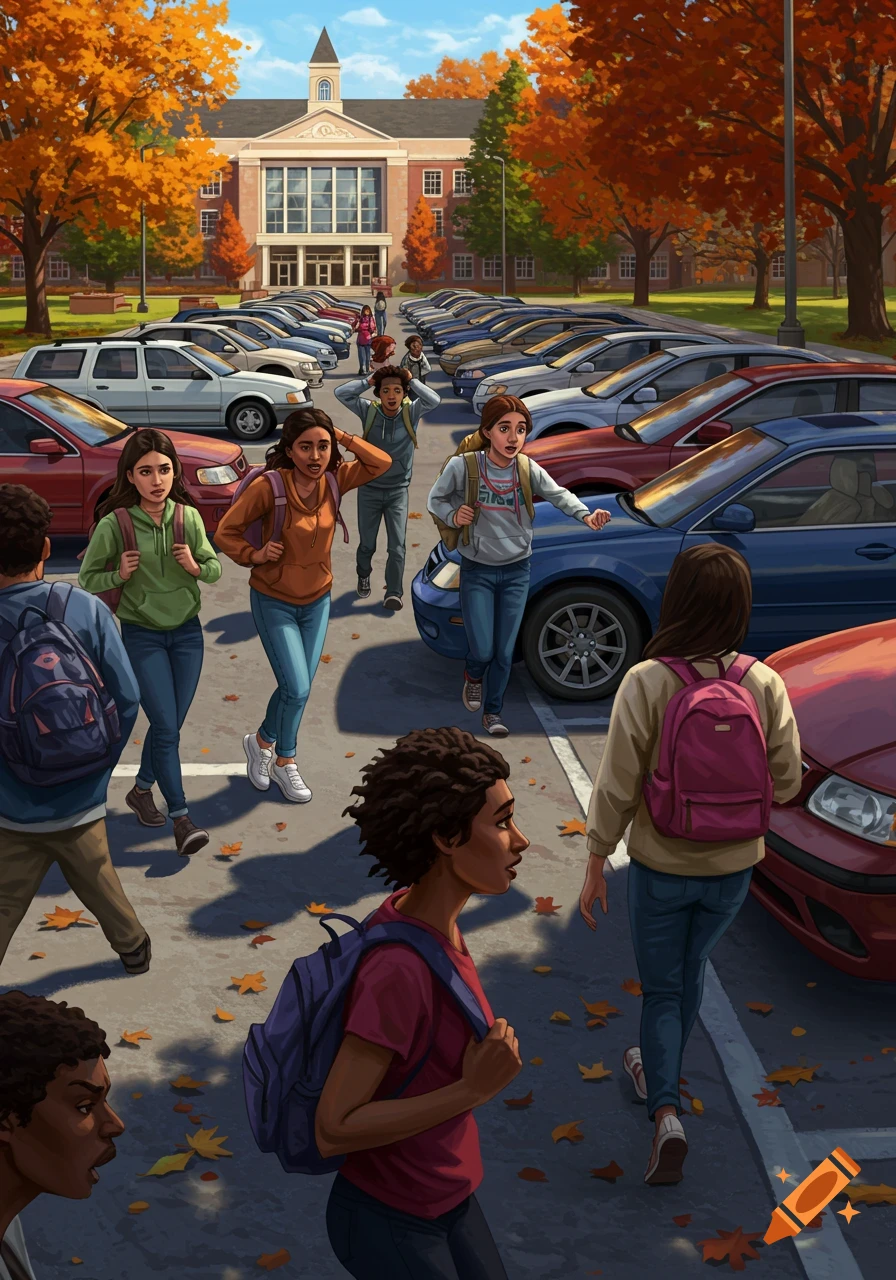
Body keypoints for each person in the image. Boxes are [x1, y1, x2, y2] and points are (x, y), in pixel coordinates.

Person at [578, 544, 802, 1186]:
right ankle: (657, 1068)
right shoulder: (763, 683)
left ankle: (666, 1112)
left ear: (677, 600)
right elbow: (787, 781)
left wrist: (596, 857)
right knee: (691, 970)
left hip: (662, 863)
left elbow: (617, 784)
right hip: (732, 869)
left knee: (661, 988)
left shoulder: (648, 681)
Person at [318, 726, 527, 1280]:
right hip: (390, 1216)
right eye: (502, 822)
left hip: (447, 1197)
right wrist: (472, 1090)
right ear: (446, 837)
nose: (520, 840)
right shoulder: (400, 970)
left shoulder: (431, 924)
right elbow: (334, 1126)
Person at [0, 484, 149, 976]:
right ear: (45, 547)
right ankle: (134, 949)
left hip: (10, 808)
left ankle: (133, 945)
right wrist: (94, 765)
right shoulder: (83, 607)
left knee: (5, 899)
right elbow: (127, 697)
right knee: (97, 875)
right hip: (81, 796)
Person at [215, 410, 391, 803]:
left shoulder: (335, 480)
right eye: (306, 447)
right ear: (290, 450)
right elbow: (226, 532)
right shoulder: (270, 487)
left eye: (323, 446)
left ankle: (261, 741)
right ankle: (285, 761)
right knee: (296, 687)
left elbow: (381, 462)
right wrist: (254, 555)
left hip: (317, 601)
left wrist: (341, 434)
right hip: (273, 600)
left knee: (297, 688)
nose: (315, 455)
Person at [427, 395, 612, 737]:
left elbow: (559, 494)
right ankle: (473, 675)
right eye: (504, 428)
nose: (513, 438)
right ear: (487, 431)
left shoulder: (526, 469)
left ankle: (493, 713)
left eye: (521, 429)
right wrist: (453, 515)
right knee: (482, 649)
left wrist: (586, 515)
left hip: (516, 571)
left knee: (504, 651)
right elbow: (435, 499)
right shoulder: (465, 466)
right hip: (478, 570)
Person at [78, 430, 221, 857]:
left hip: (188, 634)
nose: (156, 480)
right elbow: (88, 579)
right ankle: (181, 818)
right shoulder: (116, 524)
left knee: (167, 728)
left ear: (175, 472)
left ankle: (141, 790)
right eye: (145, 472)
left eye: (164, 469)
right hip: (142, 635)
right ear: (130, 476)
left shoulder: (187, 518)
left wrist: (196, 566)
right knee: (166, 728)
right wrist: (119, 574)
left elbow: (214, 568)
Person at [0, 991, 124, 1280]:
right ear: (5, 1121)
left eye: (105, 1101)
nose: (116, 1125)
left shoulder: (7, 1225)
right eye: (84, 1106)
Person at [336, 365, 441, 612]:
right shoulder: (368, 411)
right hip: (369, 490)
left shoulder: (411, 412)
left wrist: (412, 381)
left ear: (404, 393)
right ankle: (363, 574)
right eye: (385, 391)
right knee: (367, 544)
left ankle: (393, 592)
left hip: (398, 492)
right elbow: (342, 394)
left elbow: (434, 400)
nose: (391, 396)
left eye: (397, 390)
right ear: (378, 393)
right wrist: (368, 381)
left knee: (397, 547)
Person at [352, 305, 376, 375]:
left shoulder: (360, 318)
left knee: (361, 355)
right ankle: (367, 369)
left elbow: (355, 327)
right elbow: (372, 328)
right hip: (367, 337)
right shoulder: (370, 319)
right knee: (367, 354)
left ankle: (362, 369)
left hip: (360, 338)